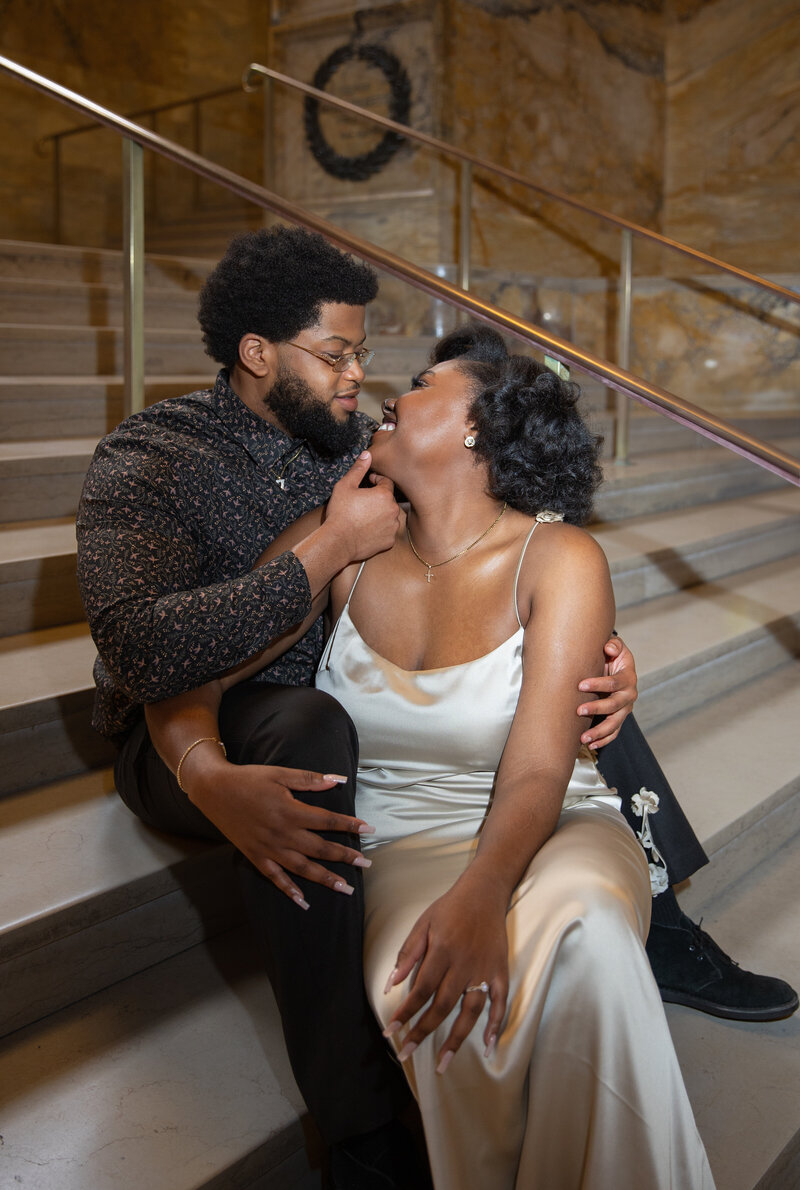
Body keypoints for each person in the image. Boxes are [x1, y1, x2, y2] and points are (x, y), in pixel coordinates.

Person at [75, 227, 795, 1188]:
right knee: (320, 732)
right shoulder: (161, 457)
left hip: (407, 718)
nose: (362, 379)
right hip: (247, 721)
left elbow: (526, 664)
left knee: (571, 695)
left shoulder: (382, 462)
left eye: (373, 361)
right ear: (258, 354)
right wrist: (323, 561)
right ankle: (368, 1133)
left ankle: (657, 925)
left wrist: (593, 655)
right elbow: (151, 657)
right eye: (338, 355)